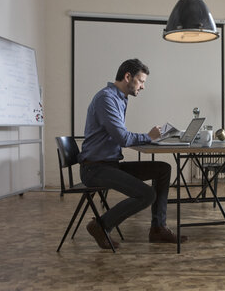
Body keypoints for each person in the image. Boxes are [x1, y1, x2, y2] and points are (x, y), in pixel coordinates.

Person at [78, 58, 187, 249]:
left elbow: (120, 136)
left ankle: (158, 228)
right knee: (146, 194)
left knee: (163, 169)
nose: (143, 87)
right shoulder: (107, 98)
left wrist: (150, 137)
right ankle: (100, 225)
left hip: (108, 164)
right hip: (95, 169)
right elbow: (123, 138)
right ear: (128, 77)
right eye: (141, 81)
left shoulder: (119, 98)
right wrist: (149, 136)